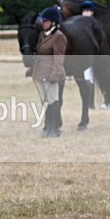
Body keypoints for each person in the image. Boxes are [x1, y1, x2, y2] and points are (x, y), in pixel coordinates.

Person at [32, 7, 67, 137]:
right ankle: (48, 125)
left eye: (46, 21)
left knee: (53, 100)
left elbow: (59, 58)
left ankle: (55, 127)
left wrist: (55, 74)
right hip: (40, 72)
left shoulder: (59, 37)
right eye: (43, 21)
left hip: (51, 73)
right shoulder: (42, 35)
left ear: (53, 22)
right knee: (44, 100)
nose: (43, 23)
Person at [79, 0, 97, 110]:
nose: (85, 13)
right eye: (84, 11)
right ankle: (90, 102)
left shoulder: (95, 25)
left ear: (92, 12)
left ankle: (107, 100)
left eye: (88, 11)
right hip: (85, 56)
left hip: (96, 55)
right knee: (88, 78)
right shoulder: (79, 25)